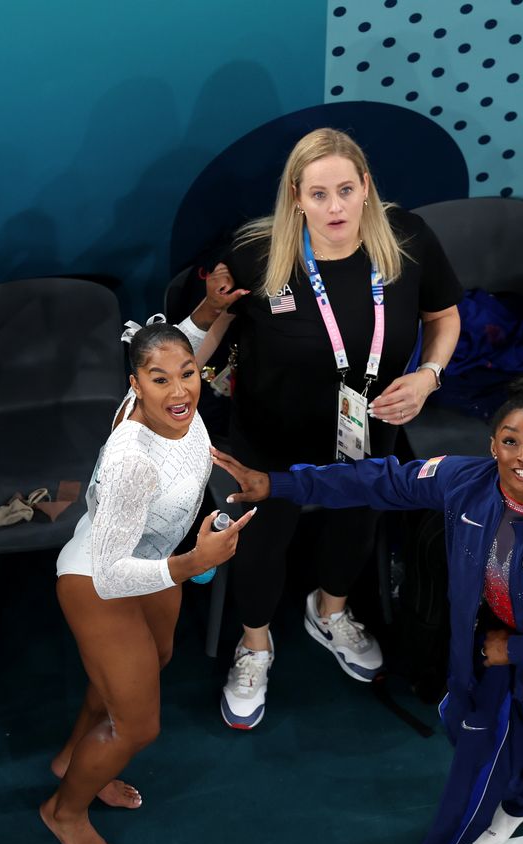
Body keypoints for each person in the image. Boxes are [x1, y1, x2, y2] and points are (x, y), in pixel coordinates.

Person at [211, 373, 523, 844]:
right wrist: (281, 485)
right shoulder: (463, 481)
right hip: (494, 637)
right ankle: (513, 803)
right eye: (510, 440)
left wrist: (517, 648)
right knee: (485, 734)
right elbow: (379, 480)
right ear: (492, 444)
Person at [181, 127, 462, 730]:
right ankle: (254, 644)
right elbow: (204, 339)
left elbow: (443, 316)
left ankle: (329, 610)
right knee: (261, 542)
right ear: (296, 196)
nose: (334, 207)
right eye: (318, 194)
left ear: (366, 188)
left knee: (355, 526)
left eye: (345, 190)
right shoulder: (259, 254)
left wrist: (429, 376)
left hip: (367, 429)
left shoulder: (407, 239)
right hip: (270, 437)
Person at [42, 319, 255, 844]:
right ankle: (64, 811)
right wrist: (195, 562)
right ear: (135, 385)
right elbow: (111, 576)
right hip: (97, 577)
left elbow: (179, 345)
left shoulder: (179, 402)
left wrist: (211, 310)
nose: (179, 390)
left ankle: (74, 759)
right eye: (160, 380)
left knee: (150, 662)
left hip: (155, 561)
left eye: (187, 375)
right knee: (138, 725)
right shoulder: (130, 460)